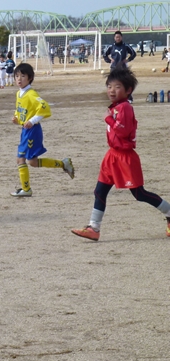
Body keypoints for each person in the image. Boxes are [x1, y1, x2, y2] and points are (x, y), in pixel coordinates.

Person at [72, 68, 170, 241]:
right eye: (109, 86)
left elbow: (123, 131)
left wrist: (108, 118)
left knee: (139, 194)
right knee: (100, 191)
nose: (111, 90)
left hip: (125, 157)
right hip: (111, 156)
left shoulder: (125, 107)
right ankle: (93, 227)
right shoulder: (117, 107)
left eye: (117, 87)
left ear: (128, 90)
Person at [10, 63, 74, 197]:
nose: (19, 79)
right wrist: (17, 118)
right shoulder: (19, 94)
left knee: (20, 159)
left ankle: (26, 190)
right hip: (25, 131)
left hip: (32, 131)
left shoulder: (31, 94)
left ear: (30, 78)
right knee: (32, 162)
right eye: (16, 76)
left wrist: (32, 121)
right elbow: (20, 109)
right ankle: (63, 164)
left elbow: (44, 107)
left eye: (23, 76)